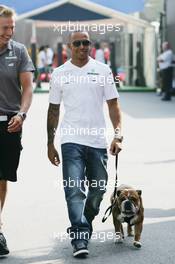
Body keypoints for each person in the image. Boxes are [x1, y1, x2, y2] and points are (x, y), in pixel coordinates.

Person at [47, 31, 122, 258]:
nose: (82, 46)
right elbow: (53, 110)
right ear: (70, 46)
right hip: (71, 141)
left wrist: (118, 135)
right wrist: (50, 143)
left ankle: (84, 222)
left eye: (86, 42)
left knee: (98, 189)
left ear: (90, 45)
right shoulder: (59, 74)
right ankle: (79, 237)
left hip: (97, 140)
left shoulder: (103, 70)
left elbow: (113, 106)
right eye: (77, 43)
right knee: (74, 189)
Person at [0, 5, 34, 255]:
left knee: (1, 179)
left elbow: (28, 88)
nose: (10, 32)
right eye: (5, 27)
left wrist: (22, 114)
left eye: (12, 27)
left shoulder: (19, 51)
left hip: (9, 125)